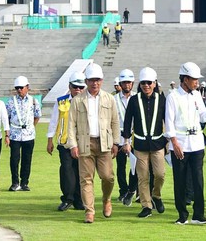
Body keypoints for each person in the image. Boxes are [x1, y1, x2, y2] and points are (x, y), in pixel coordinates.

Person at [165, 62, 206, 225]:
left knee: (198, 180)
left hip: (197, 143)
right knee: (180, 181)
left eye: (197, 79)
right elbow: (169, 122)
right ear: (184, 79)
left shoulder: (197, 94)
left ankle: (199, 214)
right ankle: (182, 215)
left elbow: (203, 117)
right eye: (194, 79)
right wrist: (174, 143)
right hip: (180, 144)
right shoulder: (172, 97)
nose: (197, 82)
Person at [66, 63, 119, 224]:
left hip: (104, 143)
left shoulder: (109, 99)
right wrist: (73, 145)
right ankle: (89, 211)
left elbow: (115, 122)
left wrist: (116, 142)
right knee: (86, 179)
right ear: (86, 81)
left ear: (101, 80)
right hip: (85, 143)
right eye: (91, 80)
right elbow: (71, 124)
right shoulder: (77, 100)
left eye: (97, 80)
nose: (94, 83)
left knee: (108, 177)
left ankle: (106, 199)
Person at [122, 67, 168, 218]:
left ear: (155, 83)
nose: (146, 86)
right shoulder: (134, 100)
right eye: (143, 83)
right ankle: (146, 205)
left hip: (158, 144)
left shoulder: (162, 99)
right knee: (143, 177)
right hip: (140, 145)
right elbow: (128, 121)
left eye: (149, 83)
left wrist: (169, 140)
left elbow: (168, 120)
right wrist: (126, 141)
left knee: (160, 174)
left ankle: (156, 196)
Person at [47, 72, 85, 211]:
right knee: (67, 170)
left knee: (80, 171)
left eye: (81, 87)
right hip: (65, 142)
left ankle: (79, 200)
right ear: (69, 86)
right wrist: (50, 140)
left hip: (82, 142)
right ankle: (68, 199)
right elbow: (53, 121)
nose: (78, 90)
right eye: (75, 87)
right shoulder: (61, 101)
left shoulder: (87, 101)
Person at [6, 76, 41, 191]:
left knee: (27, 159)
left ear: (27, 87)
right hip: (15, 134)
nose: (19, 90)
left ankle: (24, 182)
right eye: (17, 88)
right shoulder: (11, 101)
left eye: (21, 87)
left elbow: (37, 116)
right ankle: (15, 182)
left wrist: (30, 127)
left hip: (29, 135)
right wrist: (8, 134)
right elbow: (7, 117)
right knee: (14, 159)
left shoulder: (33, 101)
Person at [114, 69, 138, 206]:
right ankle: (123, 190)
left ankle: (132, 189)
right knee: (120, 166)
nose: (127, 85)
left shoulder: (137, 98)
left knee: (135, 165)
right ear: (120, 84)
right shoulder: (114, 99)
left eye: (129, 82)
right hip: (118, 136)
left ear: (133, 83)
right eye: (124, 82)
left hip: (134, 136)